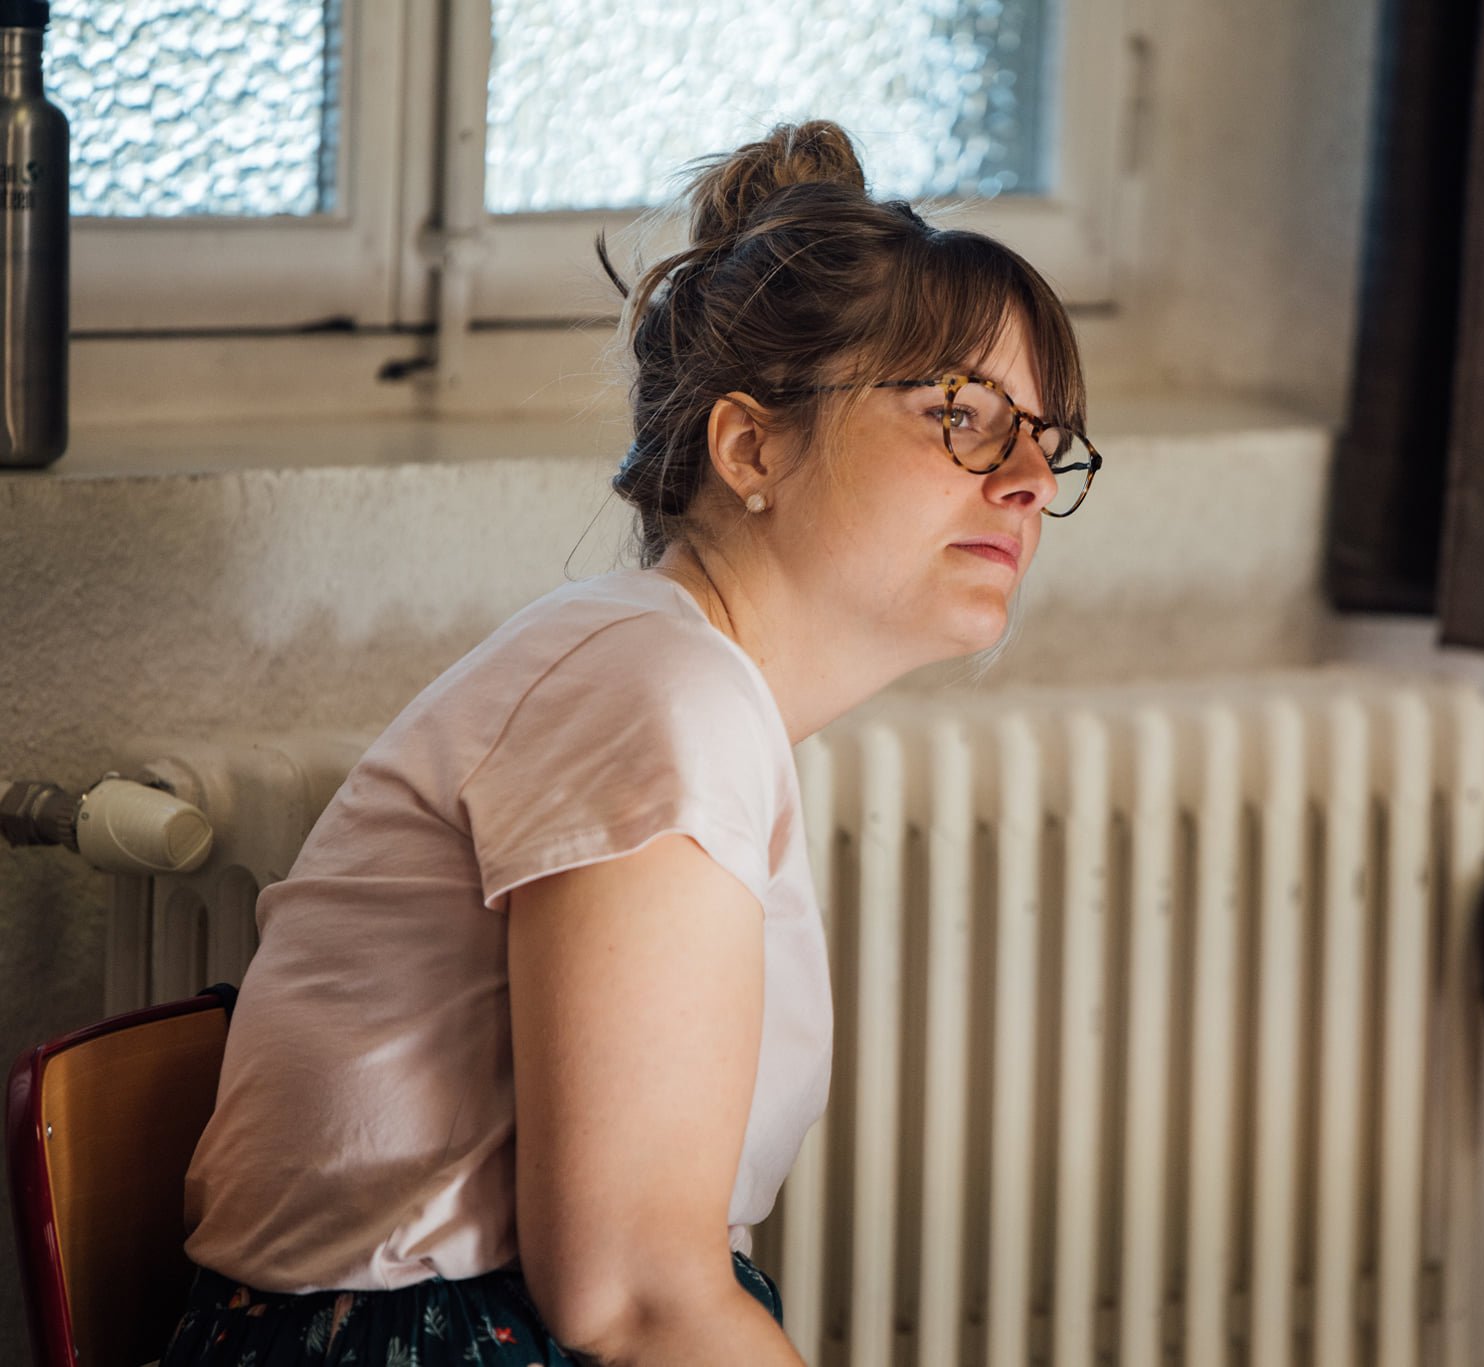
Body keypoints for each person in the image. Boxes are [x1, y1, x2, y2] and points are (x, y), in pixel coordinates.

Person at [159, 119, 1101, 1366]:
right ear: (750, 443)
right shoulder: (659, 692)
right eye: (963, 414)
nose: (1029, 474)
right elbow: (636, 1298)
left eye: (1046, 434)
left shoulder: (670, 677)